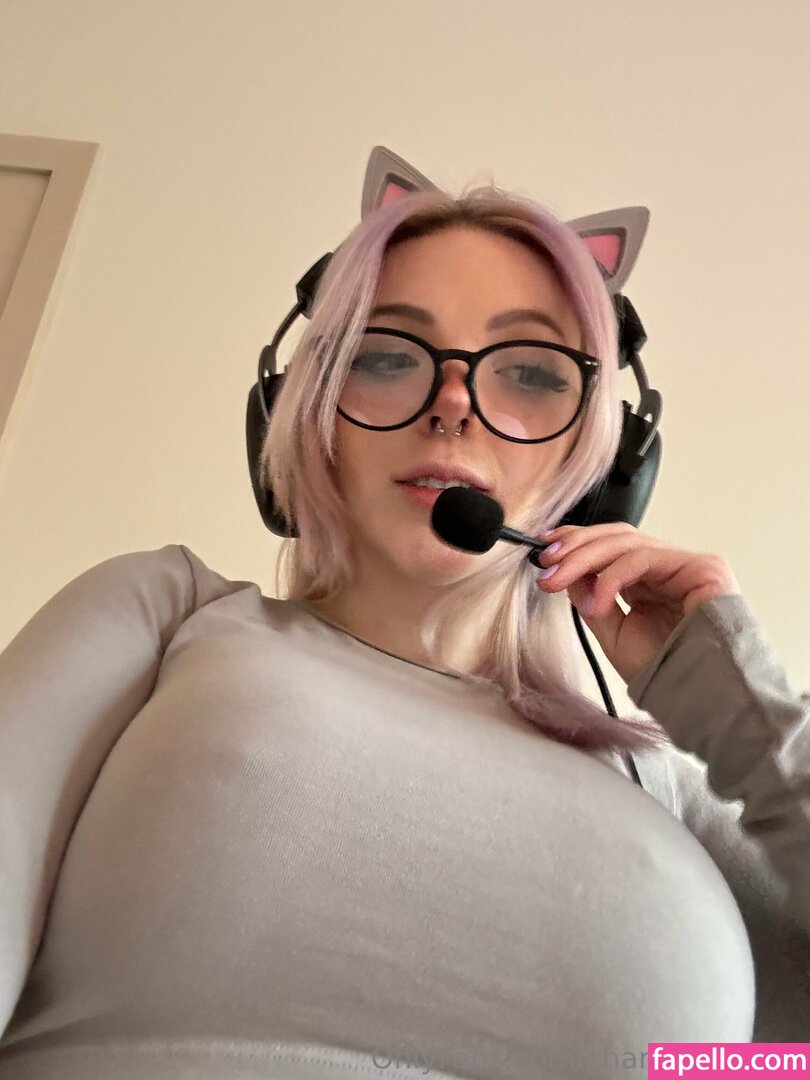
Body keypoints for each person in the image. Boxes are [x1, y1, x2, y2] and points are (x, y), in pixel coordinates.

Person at [0, 178, 808, 1080]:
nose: (453, 403)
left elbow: (769, 1069)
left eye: (531, 372)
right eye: (386, 356)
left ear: (607, 461)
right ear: (305, 407)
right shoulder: (166, 617)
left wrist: (738, 700)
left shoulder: (659, 785)